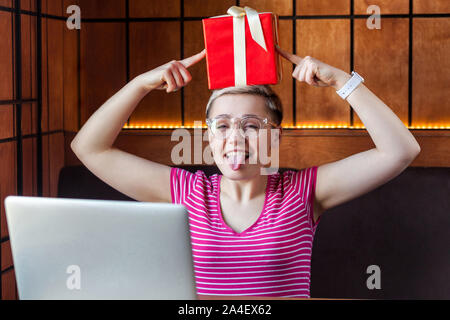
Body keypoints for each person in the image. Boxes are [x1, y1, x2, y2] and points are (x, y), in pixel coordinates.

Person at [71, 46, 421, 298]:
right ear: (209, 136)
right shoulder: (186, 192)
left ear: (275, 135)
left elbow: (400, 151)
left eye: (251, 125)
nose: (235, 138)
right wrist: (140, 85)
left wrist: (341, 80)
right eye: (222, 126)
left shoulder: (302, 192)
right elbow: (89, 148)